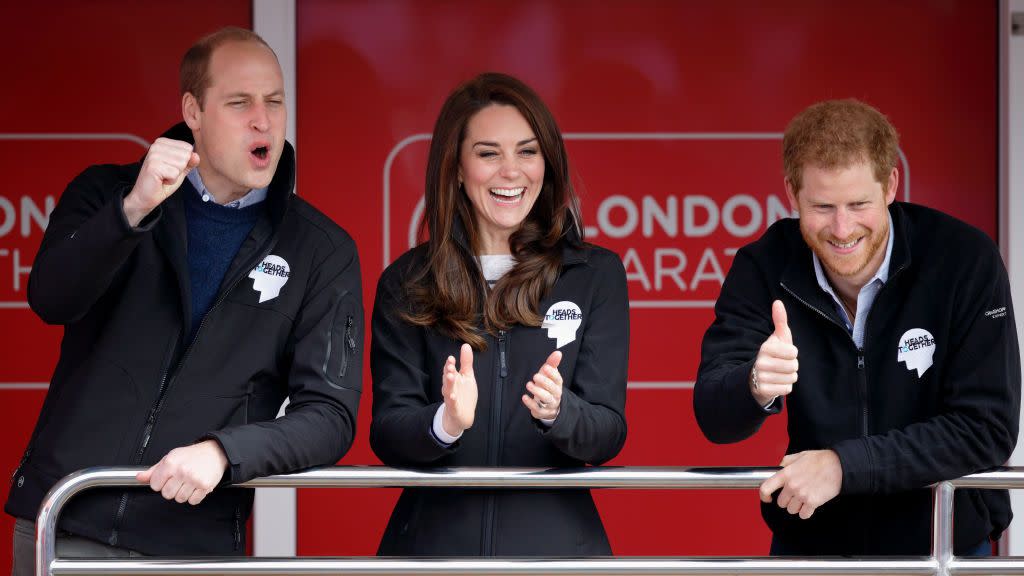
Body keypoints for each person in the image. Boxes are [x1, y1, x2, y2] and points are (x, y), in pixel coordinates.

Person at [6, 27, 363, 573]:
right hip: (65, 519)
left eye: (274, 101)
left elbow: (330, 415)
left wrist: (225, 452)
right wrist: (134, 210)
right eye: (239, 102)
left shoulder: (321, 249)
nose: (263, 120)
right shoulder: (108, 193)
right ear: (193, 111)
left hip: (191, 541)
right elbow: (52, 299)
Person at [693, 98, 1020, 556]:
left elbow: (986, 429)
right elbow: (714, 416)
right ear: (791, 194)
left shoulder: (964, 260)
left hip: (942, 548)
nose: (842, 228)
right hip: (813, 551)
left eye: (859, 203)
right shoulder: (764, 265)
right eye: (822, 206)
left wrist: (843, 467)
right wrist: (753, 384)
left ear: (891, 186)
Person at [370, 72, 628, 556]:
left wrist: (560, 411)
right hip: (431, 557)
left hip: (558, 557)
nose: (512, 171)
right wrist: (446, 422)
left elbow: (607, 432)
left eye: (527, 152)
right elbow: (388, 432)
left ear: (547, 164)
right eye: (489, 154)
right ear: (457, 167)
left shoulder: (594, 274)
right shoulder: (408, 281)